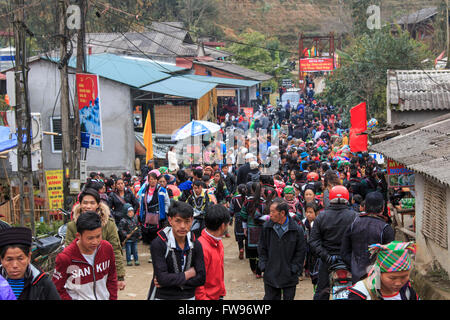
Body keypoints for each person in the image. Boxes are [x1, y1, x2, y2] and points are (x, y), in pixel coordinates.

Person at [65, 188, 126, 290]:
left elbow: (115, 249)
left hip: (103, 273)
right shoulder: (73, 226)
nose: (88, 206)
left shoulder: (108, 225)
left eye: (92, 203)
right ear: (80, 204)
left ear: (98, 204)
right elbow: (69, 252)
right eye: (85, 203)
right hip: (81, 274)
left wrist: (120, 276)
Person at [148, 201, 206, 300]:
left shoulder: (195, 244)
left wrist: (170, 281)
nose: (183, 226)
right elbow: (162, 278)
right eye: (178, 221)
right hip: (164, 297)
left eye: (187, 221)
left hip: (188, 297)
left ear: (192, 220)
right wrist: (188, 274)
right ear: (170, 220)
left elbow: (201, 278)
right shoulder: (159, 244)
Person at [53, 211, 118, 300]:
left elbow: (112, 278)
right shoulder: (65, 258)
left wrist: (113, 298)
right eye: (90, 238)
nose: (95, 242)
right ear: (78, 236)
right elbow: (57, 289)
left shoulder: (107, 248)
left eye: (98, 236)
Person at [309, 185, 357, 300]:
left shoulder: (321, 217)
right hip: (350, 261)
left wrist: (327, 256)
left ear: (330, 199)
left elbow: (313, 241)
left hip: (327, 261)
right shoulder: (355, 216)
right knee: (358, 290)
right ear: (347, 198)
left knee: (322, 291)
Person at [340, 191, 395, 284]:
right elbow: (390, 256)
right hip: (377, 277)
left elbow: (344, 252)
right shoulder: (386, 228)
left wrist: (354, 266)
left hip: (356, 276)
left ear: (365, 207)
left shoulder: (353, 224)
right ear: (382, 208)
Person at [258, 198, 306, 300]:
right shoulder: (267, 227)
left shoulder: (296, 230)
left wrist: (295, 268)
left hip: (289, 275)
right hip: (271, 273)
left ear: (282, 213)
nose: (270, 214)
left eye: (272, 212)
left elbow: (301, 251)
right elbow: (262, 248)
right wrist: (264, 266)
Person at [0, 226, 60, 300]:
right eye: (9, 259)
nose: (15, 265)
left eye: (20, 258)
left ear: (28, 257)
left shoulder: (42, 283)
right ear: (1, 259)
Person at [347, 241, 419, 300]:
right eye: (392, 278)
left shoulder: (407, 290)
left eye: (404, 277)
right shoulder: (362, 292)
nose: (398, 283)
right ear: (378, 273)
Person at [195, 204, 230, 300]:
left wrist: (221, 291)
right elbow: (197, 282)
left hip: (217, 295)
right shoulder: (202, 247)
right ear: (223, 226)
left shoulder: (218, 242)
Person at [139, 171, 170, 262]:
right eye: (150, 179)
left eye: (153, 179)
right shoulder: (144, 190)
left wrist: (164, 213)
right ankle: (152, 255)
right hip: (148, 218)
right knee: (150, 237)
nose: (152, 181)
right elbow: (142, 203)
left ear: (156, 180)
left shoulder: (162, 190)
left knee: (159, 236)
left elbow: (167, 203)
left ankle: (159, 255)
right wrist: (141, 215)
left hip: (159, 218)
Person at [229, 184, 247, 260]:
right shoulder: (247, 198)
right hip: (246, 218)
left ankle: (241, 249)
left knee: (239, 236)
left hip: (238, 219)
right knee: (246, 236)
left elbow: (231, 210)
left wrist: (230, 219)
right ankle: (247, 250)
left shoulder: (234, 199)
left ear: (238, 191)